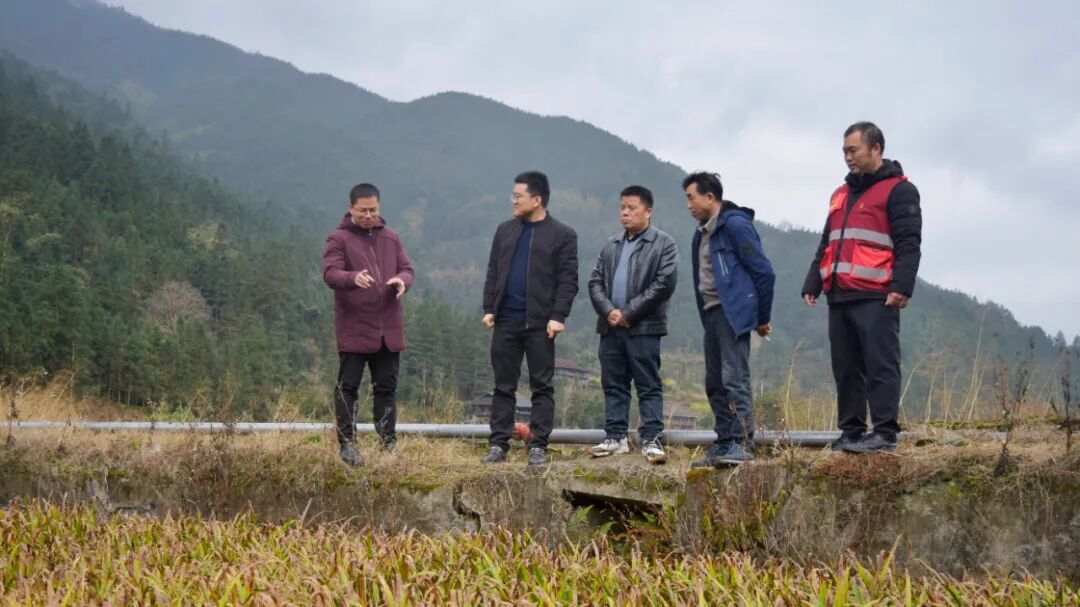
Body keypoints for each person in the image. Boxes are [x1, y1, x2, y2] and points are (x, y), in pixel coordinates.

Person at [801, 121, 922, 454]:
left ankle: (884, 433)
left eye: (853, 150)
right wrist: (814, 281)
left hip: (877, 294)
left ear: (876, 148)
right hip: (839, 294)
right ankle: (851, 432)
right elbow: (828, 241)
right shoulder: (840, 194)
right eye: (844, 151)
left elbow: (909, 243)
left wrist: (902, 286)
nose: (847, 157)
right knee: (846, 368)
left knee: (880, 364)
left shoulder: (900, 190)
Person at [480, 171, 579, 467]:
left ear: (537, 200)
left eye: (518, 196)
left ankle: (538, 445)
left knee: (542, 386)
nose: (513, 201)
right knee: (503, 386)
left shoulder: (562, 234)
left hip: (541, 323)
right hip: (505, 320)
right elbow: (493, 271)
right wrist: (489, 308)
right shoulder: (505, 231)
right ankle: (498, 445)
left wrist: (558, 315)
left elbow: (568, 280)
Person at [684, 172, 775, 468]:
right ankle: (724, 441)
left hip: (732, 311)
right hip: (711, 312)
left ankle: (742, 442)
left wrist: (761, 317)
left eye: (691, 198)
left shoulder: (735, 225)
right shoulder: (701, 234)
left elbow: (764, 272)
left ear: (710, 197)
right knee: (714, 382)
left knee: (734, 377)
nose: (688, 205)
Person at [322, 183, 414, 466]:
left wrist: (402, 281)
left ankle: (387, 444)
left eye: (373, 210)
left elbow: (407, 269)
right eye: (362, 210)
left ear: (379, 207)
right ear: (350, 208)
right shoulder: (338, 238)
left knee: (386, 388)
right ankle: (347, 444)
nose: (368, 215)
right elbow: (330, 273)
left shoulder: (391, 238)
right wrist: (352, 278)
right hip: (355, 327)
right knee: (348, 387)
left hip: (388, 329)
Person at [585, 185, 678, 464]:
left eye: (631, 208)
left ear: (648, 212)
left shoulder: (663, 244)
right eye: (622, 207)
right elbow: (595, 282)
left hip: (644, 328)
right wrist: (609, 311)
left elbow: (664, 284)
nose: (625, 212)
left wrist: (628, 313)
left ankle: (651, 439)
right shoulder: (611, 244)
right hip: (610, 327)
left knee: (648, 384)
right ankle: (616, 437)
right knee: (613, 384)